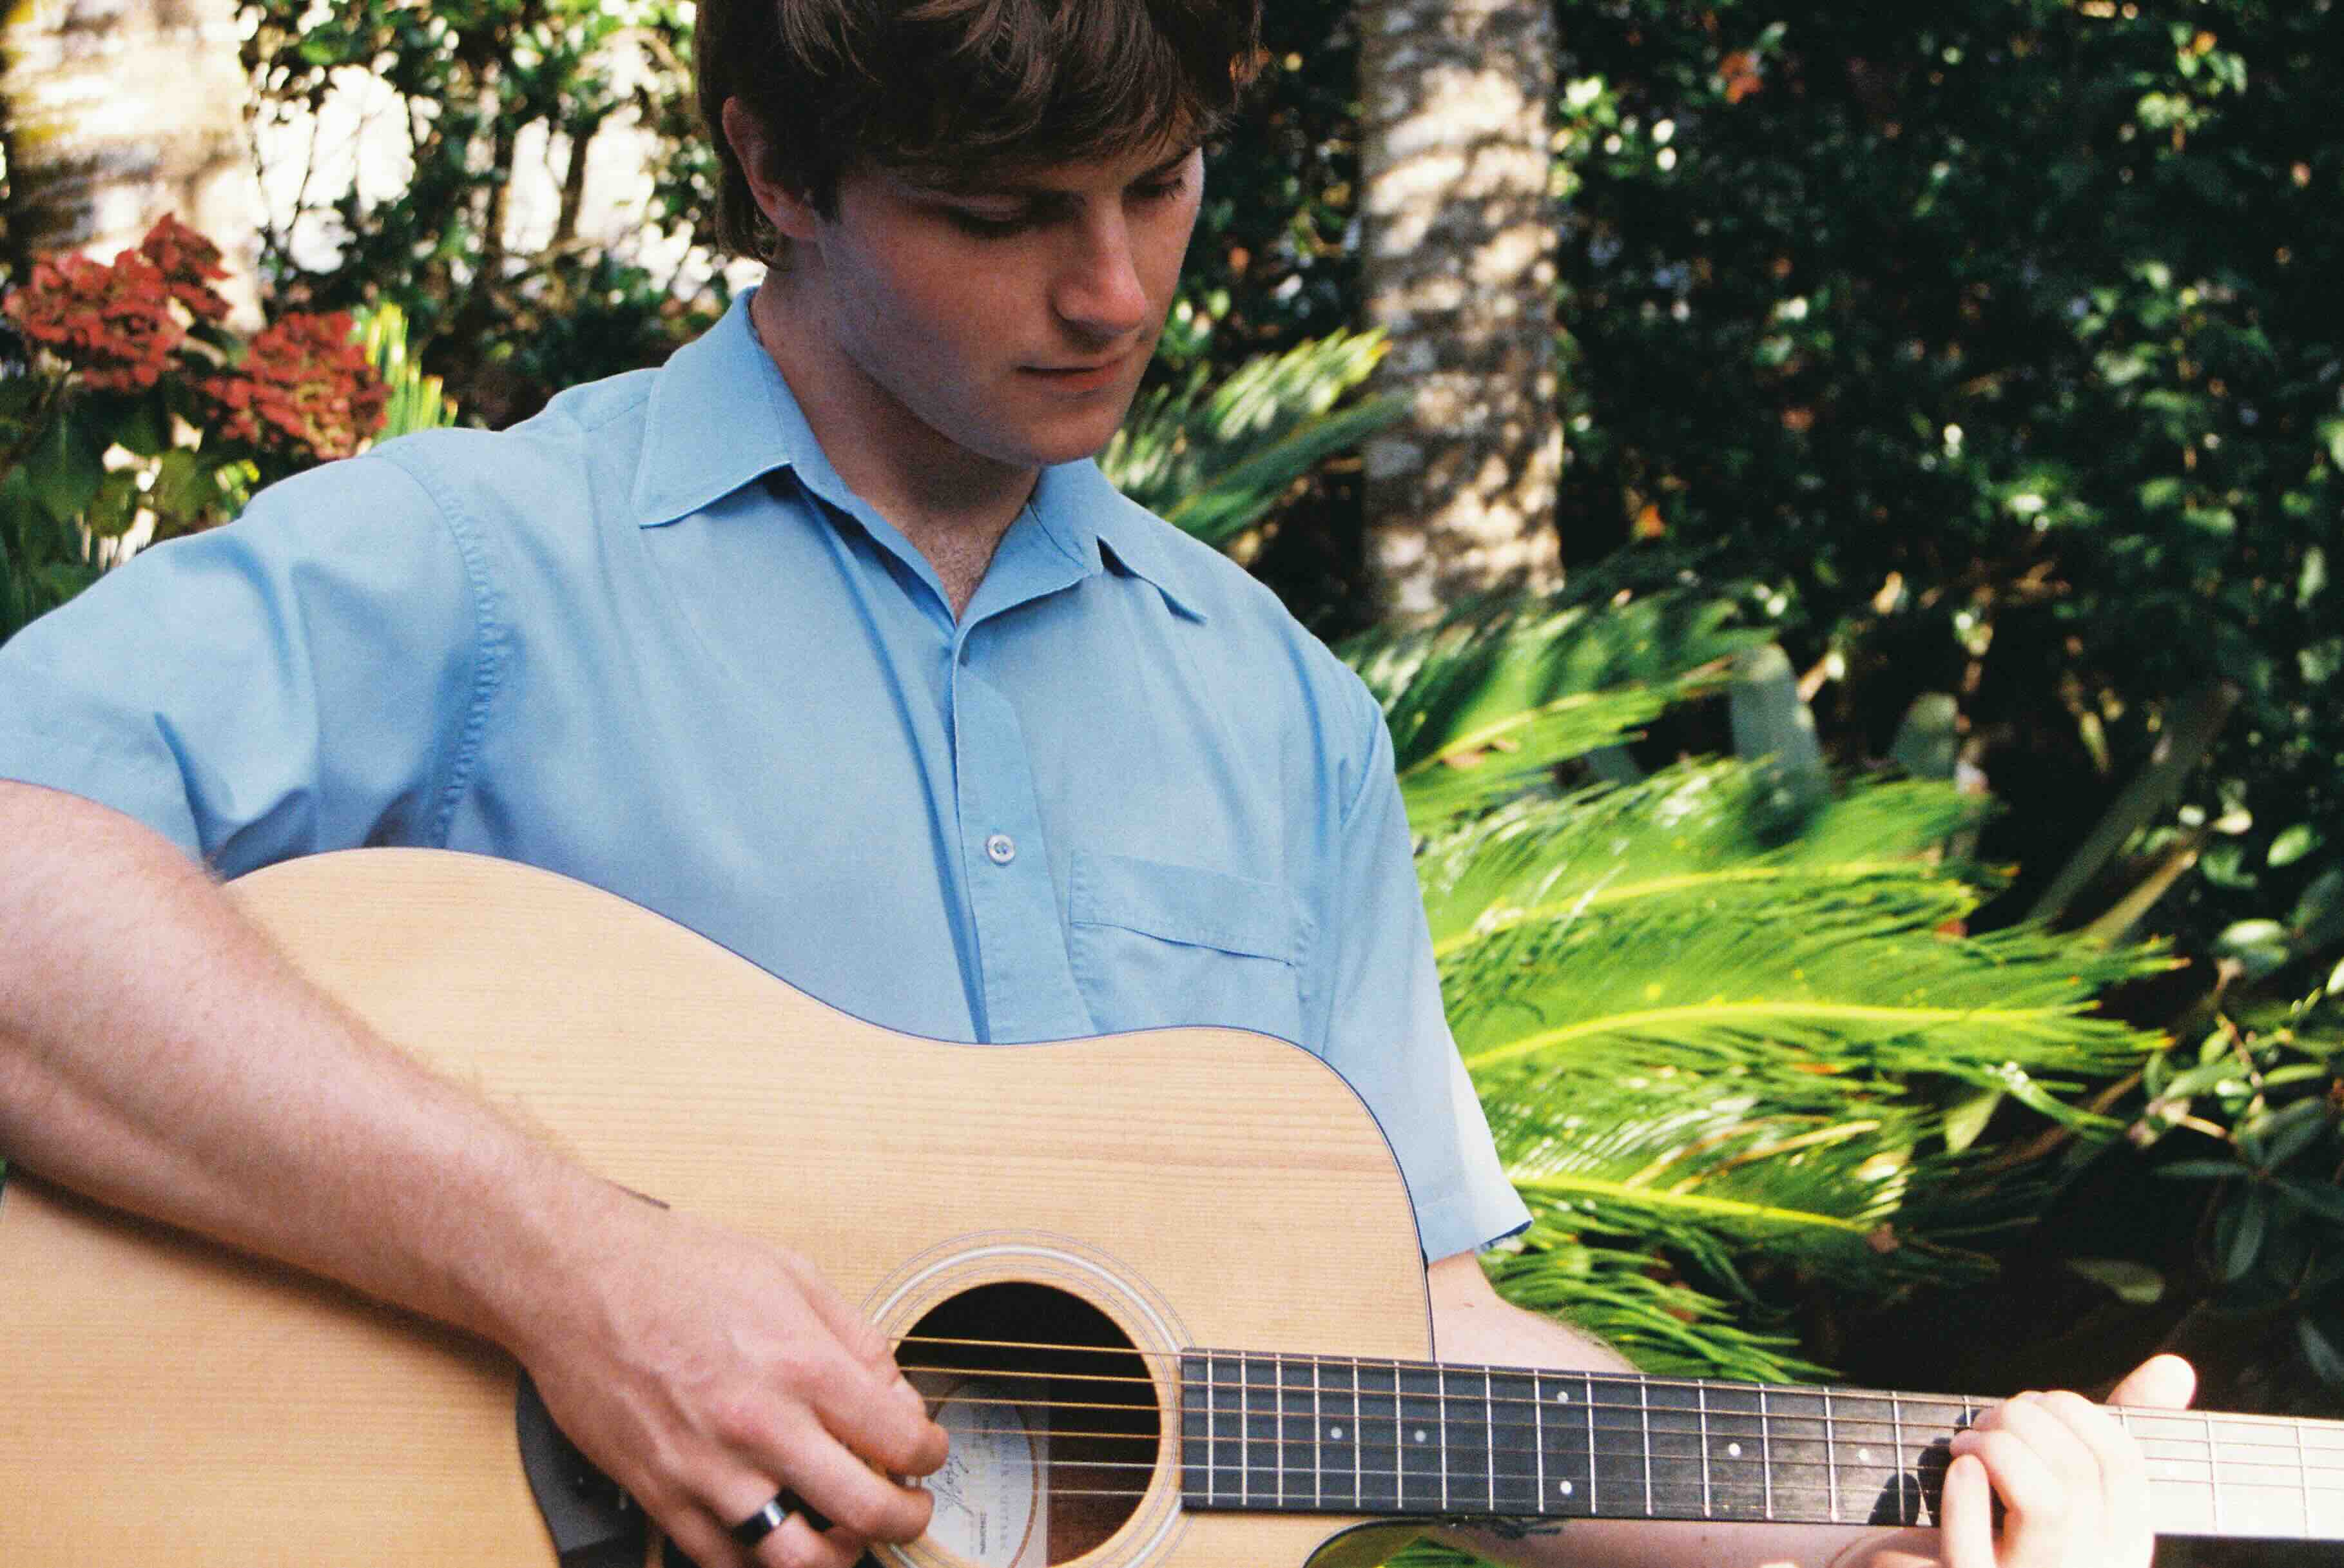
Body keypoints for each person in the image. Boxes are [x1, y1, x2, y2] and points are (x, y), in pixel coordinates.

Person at [0, 3, 2191, 1566]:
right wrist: (581, 1275)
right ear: (779, 166)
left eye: (1160, 183)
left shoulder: (1279, 706)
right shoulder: (484, 564)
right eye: (1002, 211)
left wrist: (1870, 1535)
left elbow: (1400, 1313)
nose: (1114, 287)